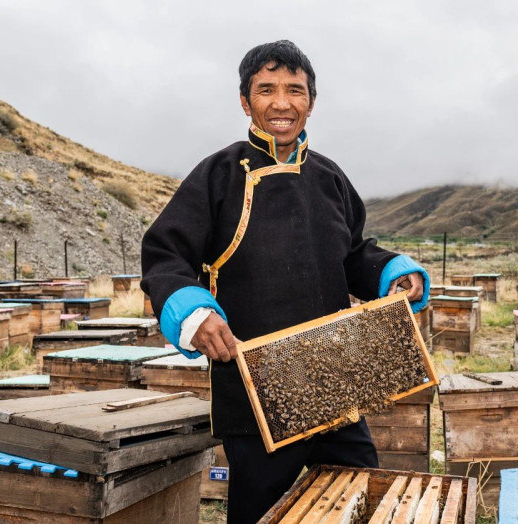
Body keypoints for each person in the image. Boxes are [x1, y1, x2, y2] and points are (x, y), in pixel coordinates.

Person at [141, 40, 430, 522]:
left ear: (310, 103)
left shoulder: (329, 177)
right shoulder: (217, 175)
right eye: (266, 89)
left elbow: (354, 252)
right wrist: (195, 314)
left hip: (337, 382)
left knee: (360, 500)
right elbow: (165, 257)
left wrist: (394, 275)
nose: (282, 103)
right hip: (254, 391)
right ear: (244, 100)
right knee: (259, 512)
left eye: (295, 90)